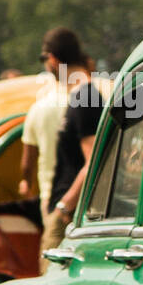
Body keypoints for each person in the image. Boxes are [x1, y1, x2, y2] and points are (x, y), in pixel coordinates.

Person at [39, 48, 106, 272]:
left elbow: (93, 161)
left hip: (70, 213)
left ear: (53, 59)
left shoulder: (86, 98)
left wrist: (63, 208)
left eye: (43, 59)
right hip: (71, 209)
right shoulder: (82, 96)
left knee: (49, 281)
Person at [20, 27, 88, 225]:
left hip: (57, 200)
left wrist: (26, 183)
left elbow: (27, 163)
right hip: (96, 199)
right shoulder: (95, 97)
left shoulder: (39, 108)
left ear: (52, 60)